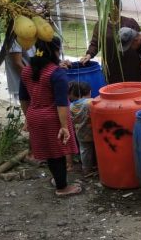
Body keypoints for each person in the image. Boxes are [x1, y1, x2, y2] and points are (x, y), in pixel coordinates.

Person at [19, 38, 81, 197]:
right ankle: (62, 187)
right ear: (55, 51)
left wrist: (28, 118)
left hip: (35, 115)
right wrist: (64, 126)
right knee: (58, 153)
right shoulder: (56, 73)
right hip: (53, 118)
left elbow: (23, 98)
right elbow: (61, 103)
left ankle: (58, 179)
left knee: (50, 152)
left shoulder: (27, 70)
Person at [80, 0, 141, 84]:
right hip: (112, 67)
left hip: (131, 66)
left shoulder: (130, 22)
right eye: (108, 6)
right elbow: (95, 43)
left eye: (113, 6)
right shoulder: (101, 25)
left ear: (119, 7)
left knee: (133, 88)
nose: (111, 9)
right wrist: (89, 55)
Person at [68, 81, 96, 177]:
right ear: (88, 92)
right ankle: (96, 166)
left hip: (80, 133)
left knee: (84, 150)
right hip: (92, 132)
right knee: (95, 149)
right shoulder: (90, 102)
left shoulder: (71, 106)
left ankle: (86, 169)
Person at [5, 37, 35, 102]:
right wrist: (32, 82)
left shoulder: (33, 37)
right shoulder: (15, 40)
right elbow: (18, 64)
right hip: (26, 82)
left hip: (33, 79)